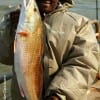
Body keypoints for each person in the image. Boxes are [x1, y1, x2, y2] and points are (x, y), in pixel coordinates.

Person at [7, 0, 100, 100]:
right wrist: (10, 28)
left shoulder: (80, 24)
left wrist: (59, 94)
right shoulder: (17, 21)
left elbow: (84, 64)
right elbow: (4, 57)